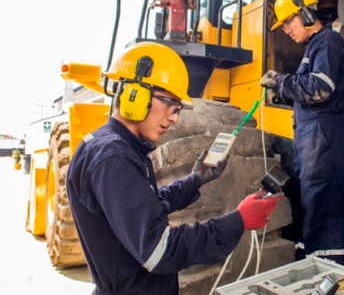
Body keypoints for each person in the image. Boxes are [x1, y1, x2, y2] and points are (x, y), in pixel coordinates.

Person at [66, 42, 282, 295]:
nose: (175, 117)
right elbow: (160, 251)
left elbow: (145, 208)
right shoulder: (114, 158)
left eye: (178, 109)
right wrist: (239, 220)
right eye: (170, 104)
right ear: (135, 95)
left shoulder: (114, 147)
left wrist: (195, 180)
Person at [260, 0, 344, 265]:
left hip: (322, 137)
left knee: (322, 202)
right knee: (309, 200)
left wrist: (279, 82)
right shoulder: (314, 47)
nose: (286, 29)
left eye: (289, 20)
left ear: (307, 12)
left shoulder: (328, 42)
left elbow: (320, 89)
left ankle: (328, 268)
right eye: (283, 24)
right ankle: (308, 260)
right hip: (311, 138)